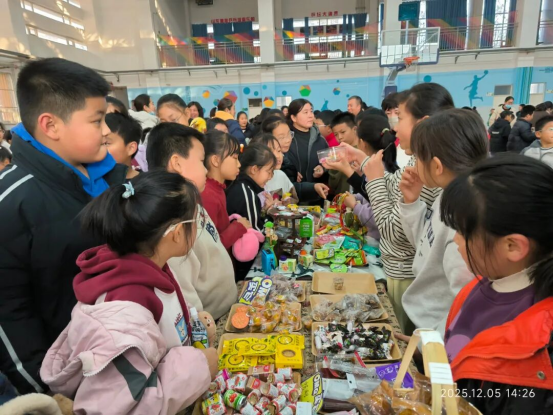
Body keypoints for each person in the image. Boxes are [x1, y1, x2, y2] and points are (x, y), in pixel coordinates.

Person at [40, 171, 217, 414]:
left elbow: (162, 329)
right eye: (195, 221)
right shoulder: (123, 315)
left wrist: (193, 322)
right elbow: (122, 408)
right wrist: (198, 368)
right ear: (177, 233)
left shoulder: (152, 267)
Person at [0, 57, 128, 394]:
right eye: (96, 120)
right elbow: (10, 316)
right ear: (51, 125)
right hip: (69, 379)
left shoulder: (107, 178)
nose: (106, 131)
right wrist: (48, 393)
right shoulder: (12, 204)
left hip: (122, 352)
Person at [442, 155, 553, 414]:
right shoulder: (480, 286)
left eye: (463, 232)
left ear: (512, 246)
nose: (455, 240)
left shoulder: (540, 346)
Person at [339, 83, 452, 335]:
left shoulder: (432, 171)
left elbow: (392, 232)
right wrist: (363, 160)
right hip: (403, 270)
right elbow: (394, 185)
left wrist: (374, 179)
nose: (394, 128)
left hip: (407, 273)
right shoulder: (418, 158)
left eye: (400, 118)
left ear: (423, 123)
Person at [398, 109, 488, 337]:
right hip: (425, 323)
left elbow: (466, 310)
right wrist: (411, 202)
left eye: (418, 158)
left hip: (437, 337)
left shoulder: (464, 221)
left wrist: (427, 345)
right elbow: (426, 245)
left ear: (437, 167)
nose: (415, 164)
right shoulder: (448, 193)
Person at [146, 123, 236, 319]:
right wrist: (202, 327)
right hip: (212, 323)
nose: (206, 170)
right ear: (177, 163)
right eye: (201, 161)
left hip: (227, 311)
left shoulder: (192, 202)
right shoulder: (171, 223)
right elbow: (185, 298)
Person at [324, 115, 399, 244]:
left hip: (378, 240)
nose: (339, 137)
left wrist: (355, 205)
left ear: (362, 143)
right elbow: (371, 195)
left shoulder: (377, 169)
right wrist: (356, 196)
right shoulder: (384, 165)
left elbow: (375, 214)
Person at [226, 143, 277, 280]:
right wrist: (270, 216)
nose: (270, 177)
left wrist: (265, 211)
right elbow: (257, 233)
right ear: (254, 169)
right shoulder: (246, 193)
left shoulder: (241, 186)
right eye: (269, 171)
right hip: (244, 267)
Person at [262, 114, 329, 203]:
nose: (288, 140)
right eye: (281, 137)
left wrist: (313, 188)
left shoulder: (284, 162)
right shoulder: (261, 173)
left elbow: (289, 188)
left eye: (289, 134)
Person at [202, 130, 251, 250]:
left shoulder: (217, 188)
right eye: (235, 158)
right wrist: (238, 227)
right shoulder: (207, 195)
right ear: (215, 160)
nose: (239, 164)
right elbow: (211, 247)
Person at [286, 99, 330, 204]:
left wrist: (323, 168)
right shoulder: (286, 139)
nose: (311, 116)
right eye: (305, 112)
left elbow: (329, 161)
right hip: (291, 198)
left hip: (316, 197)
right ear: (293, 118)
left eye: (311, 111)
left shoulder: (320, 139)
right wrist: (289, 170)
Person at [251, 133, 299, 205]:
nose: (277, 156)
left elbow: (294, 199)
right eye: (270, 153)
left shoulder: (281, 175)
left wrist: (287, 202)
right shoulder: (255, 180)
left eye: (279, 151)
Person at [105, 112, 143, 179]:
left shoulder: (147, 183)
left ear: (131, 148)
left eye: (106, 143)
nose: (99, 148)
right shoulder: (91, 181)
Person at [329, 112, 359, 194]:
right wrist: (334, 167)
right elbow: (332, 184)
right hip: (342, 199)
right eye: (336, 134)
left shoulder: (364, 151)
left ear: (354, 129)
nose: (339, 137)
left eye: (342, 132)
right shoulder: (338, 153)